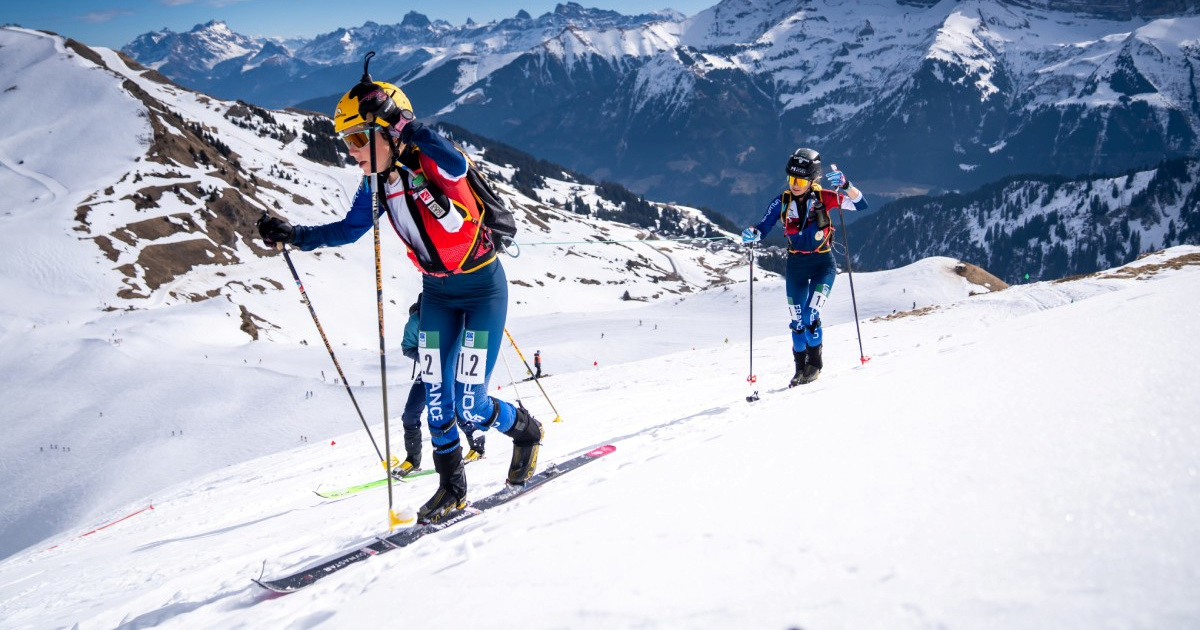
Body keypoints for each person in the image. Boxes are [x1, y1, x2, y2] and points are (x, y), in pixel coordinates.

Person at [256, 62, 542, 523]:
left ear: (389, 131)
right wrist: (295, 235)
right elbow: (349, 230)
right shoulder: (376, 183)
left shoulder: (433, 164)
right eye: (346, 141)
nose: (352, 152)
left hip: (482, 291)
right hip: (437, 297)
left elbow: (455, 162)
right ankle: (451, 488)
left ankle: (526, 431)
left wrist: (407, 124)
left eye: (357, 139)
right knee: (436, 400)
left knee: (471, 402)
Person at [741, 148, 868, 386]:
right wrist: (753, 234)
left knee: (811, 315)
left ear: (812, 180)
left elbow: (860, 204)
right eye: (791, 179)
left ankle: (815, 366)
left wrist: (846, 183)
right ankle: (799, 370)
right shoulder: (781, 201)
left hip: (823, 264)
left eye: (800, 180)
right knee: (798, 322)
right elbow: (763, 226)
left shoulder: (825, 197)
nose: (795, 185)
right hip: (796, 266)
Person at [396, 293, 485, 477]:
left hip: (454, 368)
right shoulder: (415, 320)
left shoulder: (454, 314)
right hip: (430, 370)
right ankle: (412, 459)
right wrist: (430, 360)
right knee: (410, 414)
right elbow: (408, 347)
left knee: (458, 409)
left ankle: (477, 445)